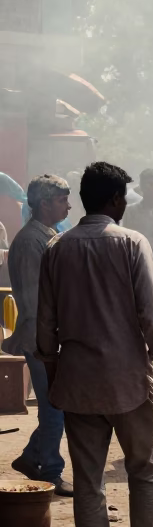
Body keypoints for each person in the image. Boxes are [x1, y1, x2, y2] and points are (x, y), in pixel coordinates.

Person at [35, 162, 153, 527]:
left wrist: (57, 374)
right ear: (116, 200)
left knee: (88, 482)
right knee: (145, 474)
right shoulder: (132, 244)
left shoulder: (57, 249)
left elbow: (46, 327)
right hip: (129, 381)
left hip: (80, 384)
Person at [2, 175, 73, 494]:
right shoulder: (32, 241)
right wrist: (51, 342)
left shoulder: (48, 234)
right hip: (42, 339)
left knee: (55, 406)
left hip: (48, 337)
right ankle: (50, 471)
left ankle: (33, 458)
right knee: (54, 408)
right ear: (44, 203)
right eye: (62, 200)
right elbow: (33, 301)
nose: (68, 206)